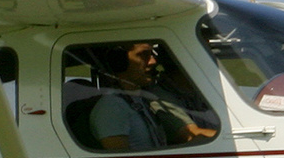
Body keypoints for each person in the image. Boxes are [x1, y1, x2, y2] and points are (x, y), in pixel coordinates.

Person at [86, 42, 217, 151]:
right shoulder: (112, 107)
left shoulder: (140, 102)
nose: (153, 61)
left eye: (151, 55)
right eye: (143, 55)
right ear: (119, 62)